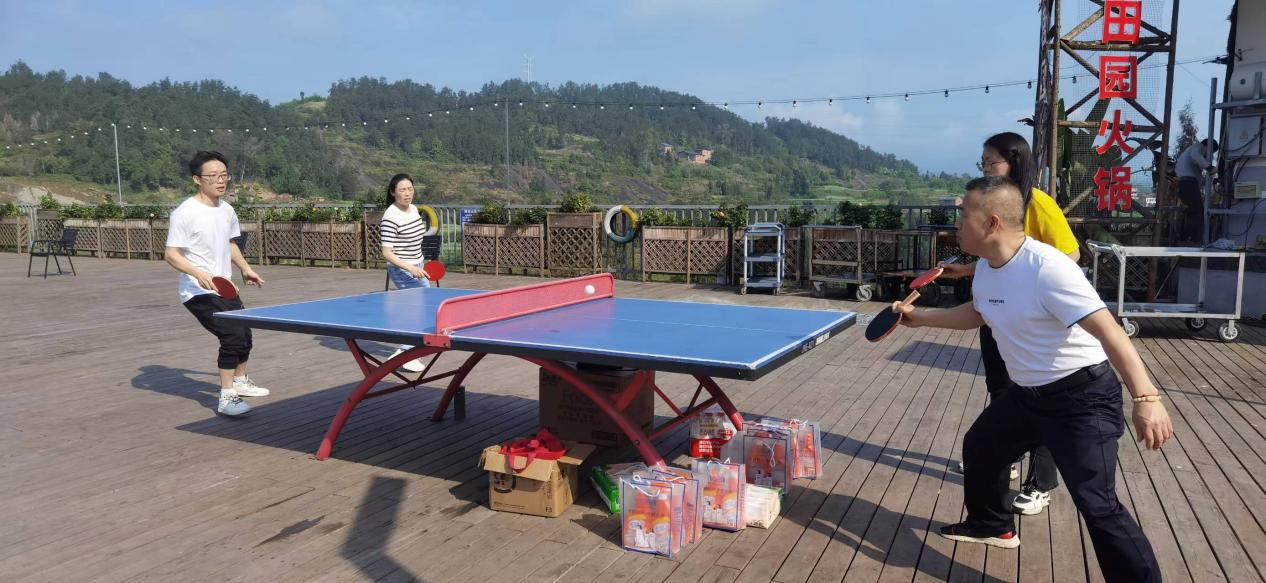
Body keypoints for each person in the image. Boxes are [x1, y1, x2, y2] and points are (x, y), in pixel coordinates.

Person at [894, 176, 1172, 582]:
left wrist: (1146, 398)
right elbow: (979, 312)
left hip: (1081, 398)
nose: (956, 222)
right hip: (1027, 395)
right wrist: (921, 318)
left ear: (991, 222)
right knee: (982, 446)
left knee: (1097, 504)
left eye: (963, 213)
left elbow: (1110, 331)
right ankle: (992, 525)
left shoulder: (1048, 269)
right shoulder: (988, 266)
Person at [942, 131, 1081, 516]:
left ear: (1015, 162)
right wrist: (966, 270)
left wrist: (1031, 288)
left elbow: (1070, 254)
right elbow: (999, 258)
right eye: (983, 163)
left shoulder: (1038, 204)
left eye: (992, 162)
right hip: (997, 317)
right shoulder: (992, 206)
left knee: (1040, 397)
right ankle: (1006, 455)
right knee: (1003, 392)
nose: (986, 169)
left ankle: (1042, 484)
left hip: (1031, 324)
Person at [164, 151, 268, 417]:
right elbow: (171, 254)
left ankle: (240, 381)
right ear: (197, 179)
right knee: (231, 335)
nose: (220, 181)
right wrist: (197, 272)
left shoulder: (227, 210)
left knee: (245, 334)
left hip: (224, 286)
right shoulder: (184, 213)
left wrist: (245, 268)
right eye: (213, 176)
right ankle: (227, 397)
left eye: (224, 175)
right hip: (197, 291)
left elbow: (230, 243)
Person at [380, 173, 432, 372]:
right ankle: (405, 354)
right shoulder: (390, 217)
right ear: (393, 193)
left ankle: (405, 351)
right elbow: (387, 253)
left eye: (410, 189)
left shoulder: (414, 209)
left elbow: (415, 240)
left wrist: (419, 264)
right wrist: (410, 268)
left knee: (418, 309)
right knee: (420, 309)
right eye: (402, 190)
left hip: (417, 266)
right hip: (403, 270)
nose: (407, 193)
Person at [1175, 139, 1219, 243]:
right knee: (1197, 211)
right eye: (1212, 151)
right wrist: (1209, 167)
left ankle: (1186, 238)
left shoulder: (1192, 154)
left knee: (1193, 211)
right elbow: (1196, 156)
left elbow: (1197, 177)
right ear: (1208, 146)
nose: (1210, 155)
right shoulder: (1197, 147)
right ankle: (1188, 239)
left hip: (1187, 184)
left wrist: (1213, 180)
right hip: (1188, 184)